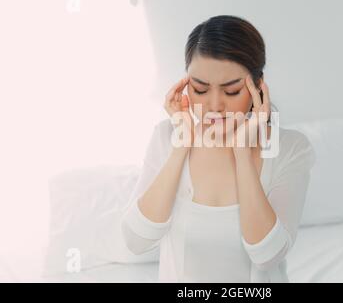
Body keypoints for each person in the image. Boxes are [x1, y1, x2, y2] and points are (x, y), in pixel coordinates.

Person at [120, 15, 315, 282]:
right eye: (200, 89)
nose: (214, 106)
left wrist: (242, 154)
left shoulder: (290, 148)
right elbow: (136, 240)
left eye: (232, 91)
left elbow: (267, 255)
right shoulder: (167, 137)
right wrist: (181, 146)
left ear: (258, 87)